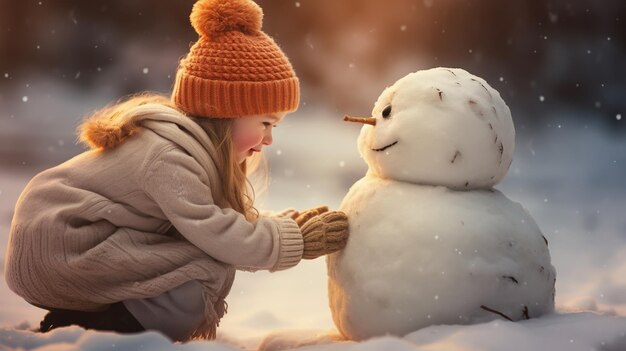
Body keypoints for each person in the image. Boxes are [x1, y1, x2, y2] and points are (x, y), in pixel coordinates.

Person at [3, 0, 349, 342]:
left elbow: (220, 221)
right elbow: (218, 234)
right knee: (204, 270)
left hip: (75, 244)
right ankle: (107, 326)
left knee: (203, 260)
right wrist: (296, 240)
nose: (270, 138)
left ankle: (92, 314)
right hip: (61, 246)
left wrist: (287, 226)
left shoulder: (187, 149)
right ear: (229, 111)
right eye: (265, 122)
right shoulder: (170, 158)